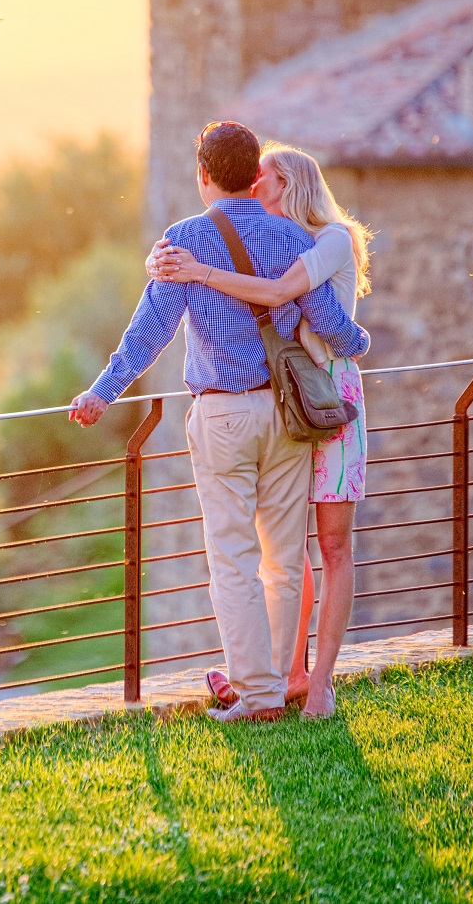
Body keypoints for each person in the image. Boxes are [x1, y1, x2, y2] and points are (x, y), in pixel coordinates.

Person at [69, 122, 369, 724]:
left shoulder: (183, 241)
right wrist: (355, 337)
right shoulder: (291, 237)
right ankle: (279, 687)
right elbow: (338, 327)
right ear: (254, 173)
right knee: (285, 556)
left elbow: (147, 336)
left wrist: (103, 393)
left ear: (203, 174)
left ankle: (256, 696)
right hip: (287, 415)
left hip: (223, 415)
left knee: (233, 557)